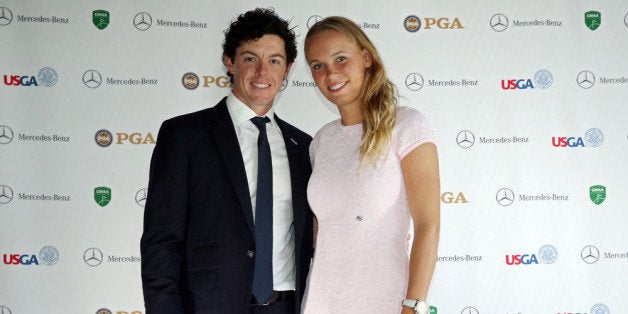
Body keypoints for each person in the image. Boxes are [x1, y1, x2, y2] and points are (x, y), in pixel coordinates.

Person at [140, 8, 314, 314]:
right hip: (210, 306)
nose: (262, 72)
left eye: (274, 60)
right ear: (229, 62)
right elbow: (161, 241)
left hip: (285, 307)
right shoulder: (184, 136)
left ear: (287, 69)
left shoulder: (304, 147)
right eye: (250, 58)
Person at [301, 16, 440, 314]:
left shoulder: (406, 125)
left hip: (385, 300)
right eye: (317, 65)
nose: (330, 73)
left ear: (365, 57)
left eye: (340, 58)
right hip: (321, 301)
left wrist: (413, 305)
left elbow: (428, 224)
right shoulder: (322, 141)